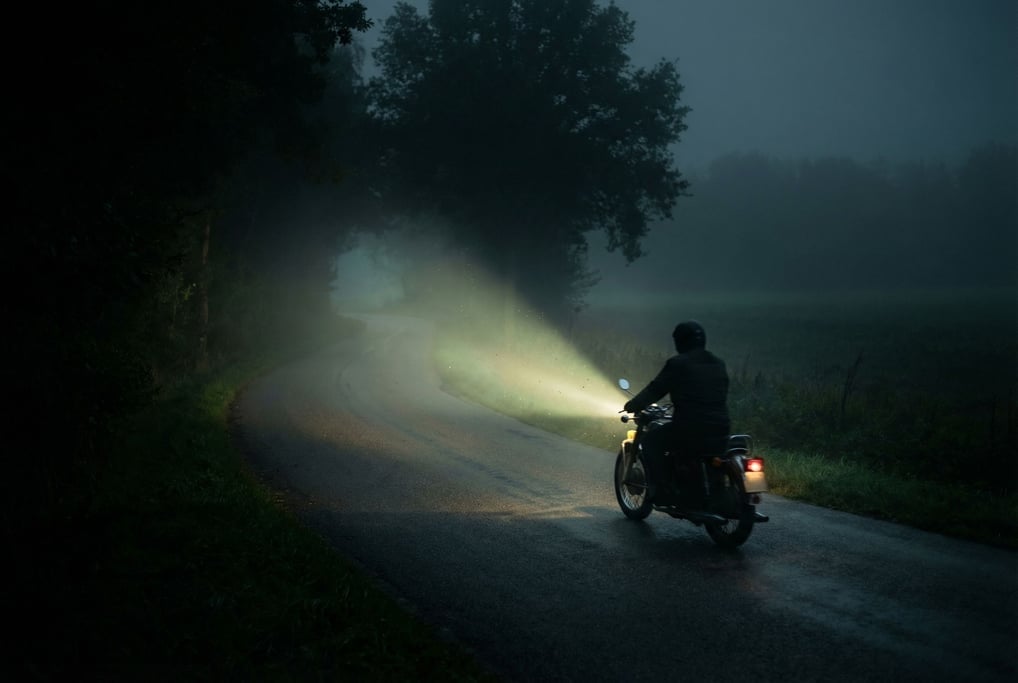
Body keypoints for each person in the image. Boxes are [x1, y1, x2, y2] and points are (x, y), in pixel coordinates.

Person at [622, 320, 731, 502]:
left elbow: (654, 390)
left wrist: (632, 405)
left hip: (690, 428)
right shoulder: (718, 363)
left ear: (680, 341)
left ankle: (664, 492)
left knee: (651, 442)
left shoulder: (678, 363)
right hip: (721, 428)